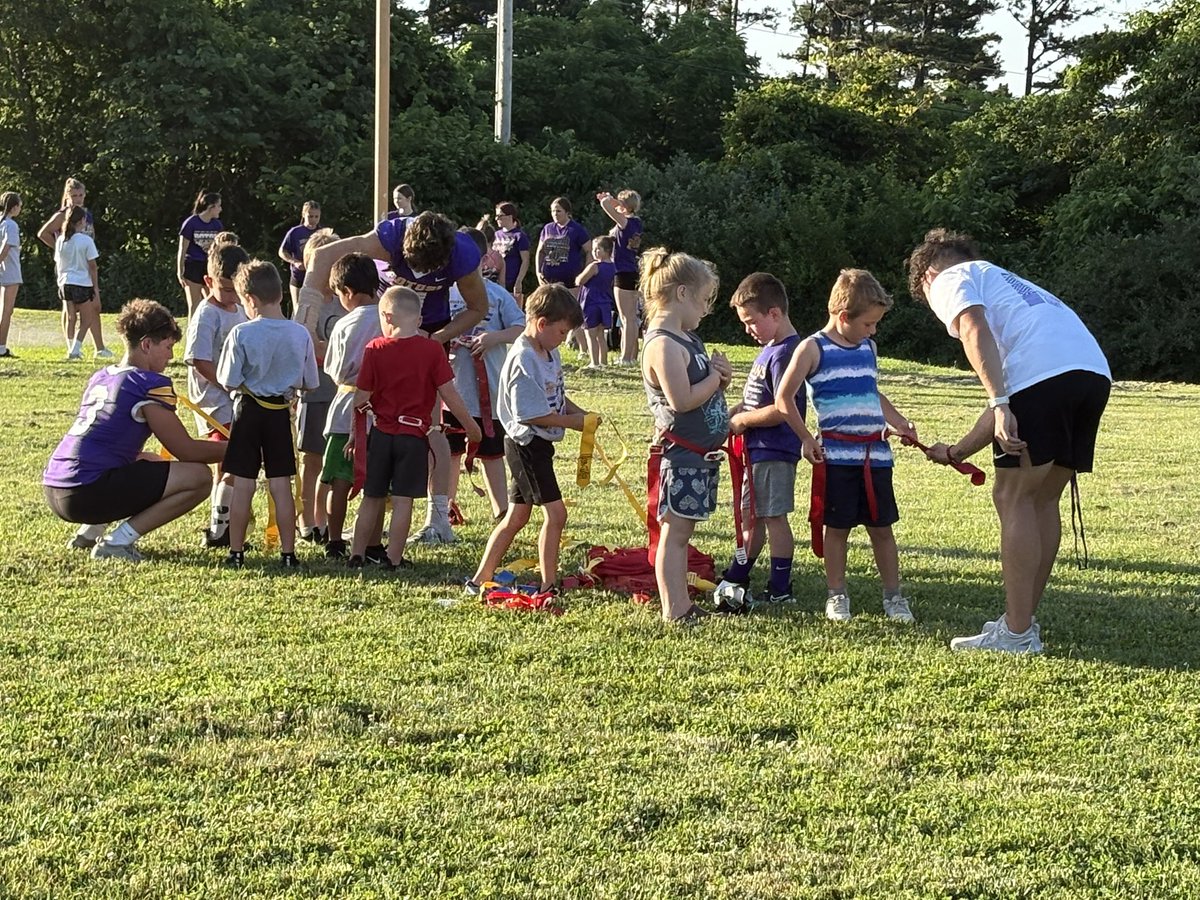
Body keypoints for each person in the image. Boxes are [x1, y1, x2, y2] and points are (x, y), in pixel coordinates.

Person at [907, 229, 1111, 654]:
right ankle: (1020, 623)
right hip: (1092, 375)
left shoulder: (949, 277)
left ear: (927, 276)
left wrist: (998, 402)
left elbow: (974, 329)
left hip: (1048, 380)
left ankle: (1017, 634)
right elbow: (1022, 389)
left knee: (1013, 497)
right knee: (1041, 499)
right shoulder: (1010, 285)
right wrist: (957, 451)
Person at [299, 210, 489, 546]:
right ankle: (371, 528)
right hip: (379, 327)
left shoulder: (463, 254)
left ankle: (438, 517)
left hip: (426, 331)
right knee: (382, 427)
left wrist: (436, 339)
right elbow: (324, 254)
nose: (418, 274)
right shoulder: (389, 237)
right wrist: (303, 323)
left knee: (429, 425)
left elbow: (477, 308)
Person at [774, 269, 917, 624]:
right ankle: (837, 596)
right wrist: (807, 439)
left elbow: (871, 391)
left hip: (876, 458)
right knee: (836, 529)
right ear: (842, 317)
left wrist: (898, 422)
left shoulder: (869, 347)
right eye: (868, 324)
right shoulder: (812, 348)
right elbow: (783, 398)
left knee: (882, 528)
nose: (873, 331)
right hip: (836, 458)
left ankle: (894, 597)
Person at [43, 299, 226, 561]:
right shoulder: (148, 383)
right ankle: (117, 542)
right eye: (167, 346)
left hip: (55, 487)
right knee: (198, 477)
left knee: (148, 459)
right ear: (147, 344)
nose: (170, 356)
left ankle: (90, 531)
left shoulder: (103, 376)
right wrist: (243, 447)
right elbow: (186, 450)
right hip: (86, 491)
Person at [466, 284, 592, 598]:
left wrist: (583, 415)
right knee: (556, 514)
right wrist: (572, 423)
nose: (564, 339)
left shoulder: (548, 351)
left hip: (537, 444)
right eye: (562, 332)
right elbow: (530, 414)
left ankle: (481, 576)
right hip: (526, 445)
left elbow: (556, 397)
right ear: (541, 324)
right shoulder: (523, 359)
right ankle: (549, 584)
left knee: (517, 516)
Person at [347, 287, 480, 568]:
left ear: (386, 316)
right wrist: (471, 427)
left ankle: (356, 554)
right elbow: (449, 394)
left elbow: (360, 399)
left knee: (372, 496)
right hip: (414, 436)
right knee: (403, 499)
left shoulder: (374, 349)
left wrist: (354, 435)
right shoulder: (432, 350)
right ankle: (394, 558)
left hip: (381, 433)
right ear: (419, 321)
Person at [640, 248, 732, 624]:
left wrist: (716, 373)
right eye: (703, 300)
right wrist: (716, 378)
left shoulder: (687, 338)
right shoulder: (662, 344)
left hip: (699, 456)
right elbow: (681, 400)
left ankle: (682, 604)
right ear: (681, 294)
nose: (705, 310)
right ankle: (675, 608)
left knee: (683, 531)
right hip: (680, 456)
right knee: (674, 534)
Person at [216, 260, 319, 569]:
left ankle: (236, 552)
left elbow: (228, 379)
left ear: (251, 300)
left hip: (248, 410)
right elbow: (310, 382)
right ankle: (288, 553)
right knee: (281, 485)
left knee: (243, 483)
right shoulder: (299, 334)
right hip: (278, 412)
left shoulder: (242, 333)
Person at [714, 273, 804, 610]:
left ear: (775, 314)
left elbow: (782, 409)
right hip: (756, 449)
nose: (748, 329)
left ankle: (781, 586)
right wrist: (732, 417)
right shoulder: (770, 350)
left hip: (775, 448)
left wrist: (741, 421)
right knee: (752, 515)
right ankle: (738, 573)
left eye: (752, 321)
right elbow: (756, 401)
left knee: (773, 516)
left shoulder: (786, 354)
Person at [445, 228, 526, 522]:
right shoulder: (445, 293)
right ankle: (445, 509)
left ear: (483, 260)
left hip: (488, 390)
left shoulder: (498, 295)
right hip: (451, 391)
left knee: (492, 452)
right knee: (449, 451)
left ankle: (500, 510)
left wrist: (494, 337)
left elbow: (522, 329)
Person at [183, 240, 250, 548]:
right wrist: (229, 384)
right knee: (227, 461)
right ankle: (219, 529)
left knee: (237, 461)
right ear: (208, 282)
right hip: (214, 401)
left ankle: (228, 521)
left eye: (237, 289)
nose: (232, 296)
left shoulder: (240, 310)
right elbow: (199, 360)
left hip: (237, 397)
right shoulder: (207, 314)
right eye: (225, 289)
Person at [321, 252, 383, 559]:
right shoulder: (389, 319)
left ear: (346, 293)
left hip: (347, 405)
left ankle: (335, 540)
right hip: (382, 411)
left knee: (339, 480)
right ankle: (373, 543)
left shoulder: (345, 324)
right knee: (377, 485)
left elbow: (334, 369)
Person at [295, 229, 343, 545]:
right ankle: (307, 521)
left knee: (334, 461)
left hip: (341, 393)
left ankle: (326, 520)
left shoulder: (345, 300)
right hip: (314, 392)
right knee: (311, 460)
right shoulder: (307, 301)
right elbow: (301, 341)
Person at [39, 178, 108, 358]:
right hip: (69, 267)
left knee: (92, 307)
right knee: (70, 310)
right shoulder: (63, 215)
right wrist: (61, 249)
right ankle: (72, 346)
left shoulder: (86, 214)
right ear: (67, 196)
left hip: (85, 260)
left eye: (80, 195)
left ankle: (99, 346)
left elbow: (89, 237)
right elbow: (43, 233)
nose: (78, 199)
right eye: (74, 195)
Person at [56, 207, 111, 360]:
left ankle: (71, 346)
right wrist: (95, 287)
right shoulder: (85, 240)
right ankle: (75, 349)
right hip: (81, 283)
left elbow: (59, 263)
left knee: (71, 317)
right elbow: (92, 266)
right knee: (87, 319)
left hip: (65, 282)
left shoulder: (61, 239)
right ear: (82, 221)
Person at [597, 189, 643, 365]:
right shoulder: (636, 223)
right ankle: (631, 355)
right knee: (630, 317)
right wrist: (619, 202)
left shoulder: (626, 222)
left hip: (622, 271)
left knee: (626, 318)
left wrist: (610, 200)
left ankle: (626, 357)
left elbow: (605, 205)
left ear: (624, 206)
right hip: (631, 270)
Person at [178, 191, 224, 316]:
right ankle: (192, 334)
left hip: (209, 266)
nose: (220, 209)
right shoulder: (191, 223)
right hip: (193, 265)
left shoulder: (217, 225)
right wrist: (180, 270)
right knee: (194, 304)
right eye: (218, 206)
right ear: (211, 207)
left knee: (212, 302)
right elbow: (182, 249)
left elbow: (219, 249)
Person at [575, 235, 616, 369]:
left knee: (590, 334)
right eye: (593, 249)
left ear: (607, 250)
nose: (594, 252)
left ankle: (594, 362)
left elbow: (580, 281)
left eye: (598, 249)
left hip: (591, 301)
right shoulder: (613, 267)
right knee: (600, 335)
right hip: (605, 302)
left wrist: (579, 276)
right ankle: (603, 362)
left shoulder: (595, 266)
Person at [278, 200, 322, 319]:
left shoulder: (322, 232)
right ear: (304, 215)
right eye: (310, 216)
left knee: (314, 311)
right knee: (298, 309)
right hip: (299, 276)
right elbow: (282, 251)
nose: (313, 220)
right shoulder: (295, 232)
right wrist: (295, 262)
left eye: (316, 217)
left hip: (316, 276)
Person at [535, 197, 590, 290]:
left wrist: (585, 274)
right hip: (548, 281)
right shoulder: (548, 228)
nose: (555, 214)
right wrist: (538, 272)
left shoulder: (576, 229)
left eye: (558, 211)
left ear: (567, 212)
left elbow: (589, 250)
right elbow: (540, 252)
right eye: (553, 211)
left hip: (570, 283)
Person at [492, 201, 530, 305]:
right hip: (495, 282)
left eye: (500, 216)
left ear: (510, 216)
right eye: (496, 216)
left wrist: (519, 280)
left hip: (511, 282)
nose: (496, 219)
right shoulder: (495, 235)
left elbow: (525, 261)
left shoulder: (519, 236)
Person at [0, 191, 23, 358]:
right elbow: (7, 247)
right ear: (14, 207)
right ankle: (1, 347)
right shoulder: (11, 225)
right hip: (10, 271)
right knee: (6, 311)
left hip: (3, 271)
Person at [473, 215, 507, 287]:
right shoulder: (499, 258)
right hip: (494, 294)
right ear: (493, 238)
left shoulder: (473, 255)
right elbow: (502, 284)